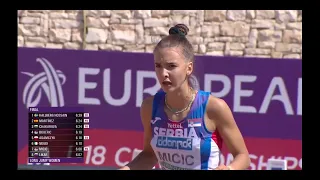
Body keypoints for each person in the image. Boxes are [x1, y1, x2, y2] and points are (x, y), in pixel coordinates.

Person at [119, 24, 250, 170]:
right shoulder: (149, 107)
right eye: (158, 66)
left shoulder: (213, 107)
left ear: (189, 68)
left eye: (171, 66)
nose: (163, 73)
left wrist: (229, 169)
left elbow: (243, 156)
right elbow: (149, 155)